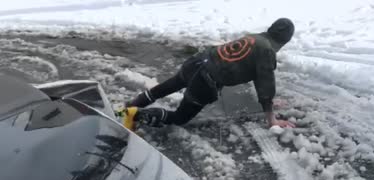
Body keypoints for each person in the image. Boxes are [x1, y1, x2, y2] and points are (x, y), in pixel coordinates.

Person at [125, 18, 296, 129]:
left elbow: (242, 64)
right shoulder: (267, 51)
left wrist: (270, 102)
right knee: (180, 118)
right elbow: (265, 84)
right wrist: (271, 118)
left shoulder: (255, 37)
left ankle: (133, 104)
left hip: (197, 62)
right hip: (205, 80)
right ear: (286, 39)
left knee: (167, 86)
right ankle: (137, 115)